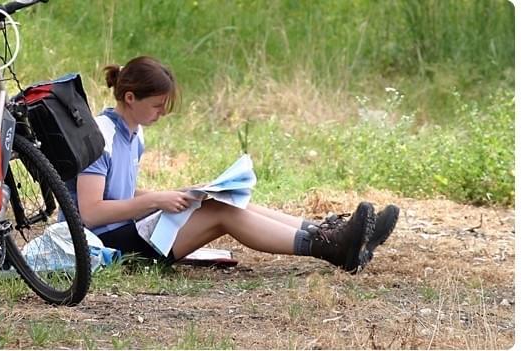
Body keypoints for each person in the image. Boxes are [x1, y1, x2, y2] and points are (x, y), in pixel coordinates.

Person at [69, 56, 400, 273]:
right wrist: (156, 201)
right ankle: (329, 247)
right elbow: (91, 213)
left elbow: (120, 192)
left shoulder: (133, 133)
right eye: (157, 106)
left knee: (220, 200)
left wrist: (176, 195)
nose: (162, 113)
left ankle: (333, 234)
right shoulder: (103, 137)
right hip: (102, 249)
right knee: (224, 214)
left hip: (125, 232)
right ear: (130, 98)